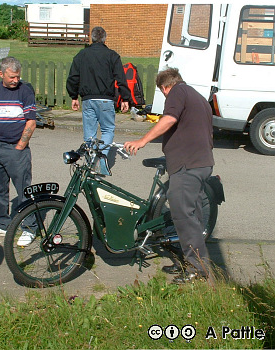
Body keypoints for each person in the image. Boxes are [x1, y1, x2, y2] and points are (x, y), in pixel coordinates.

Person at [124, 67, 215, 284]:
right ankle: (192, 261)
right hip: (201, 163)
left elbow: (169, 119)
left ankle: (197, 271)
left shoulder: (177, 92)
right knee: (193, 217)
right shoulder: (198, 97)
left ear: (165, 87)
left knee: (184, 217)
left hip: (188, 165)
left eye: (162, 92)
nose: (165, 96)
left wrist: (142, 141)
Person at [0, 57, 37, 246]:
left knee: (24, 190)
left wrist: (20, 146)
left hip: (16, 149)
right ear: (1, 74)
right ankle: (1, 222)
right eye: (12, 77)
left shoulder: (25, 91)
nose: (15, 80)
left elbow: (31, 121)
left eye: (18, 76)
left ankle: (29, 227)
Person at [66, 26, 131, 174]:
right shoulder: (112, 55)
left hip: (88, 99)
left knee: (89, 133)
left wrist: (74, 96)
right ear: (104, 39)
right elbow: (121, 78)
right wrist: (125, 98)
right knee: (108, 130)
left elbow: (73, 77)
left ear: (92, 38)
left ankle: (91, 163)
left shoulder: (82, 55)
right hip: (106, 100)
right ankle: (101, 158)